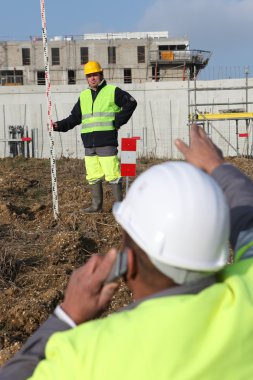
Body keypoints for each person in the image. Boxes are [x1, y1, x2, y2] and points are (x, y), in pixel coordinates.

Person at [1, 124, 253, 379]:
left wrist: (68, 315)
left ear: (128, 264)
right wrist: (217, 165)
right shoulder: (247, 297)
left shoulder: (89, 355)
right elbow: (248, 220)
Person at [53, 60, 137, 212]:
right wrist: (58, 125)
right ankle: (96, 206)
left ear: (101, 74)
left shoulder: (112, 91)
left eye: (95, 75)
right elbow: (74, 118)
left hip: (106, 141)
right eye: (89, 75)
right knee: (92, 175)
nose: (92, 78)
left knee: (112, 174)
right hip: (89, 144)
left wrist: (117, 121)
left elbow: (131, 103)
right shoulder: (84, 95)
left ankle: (120, 207)